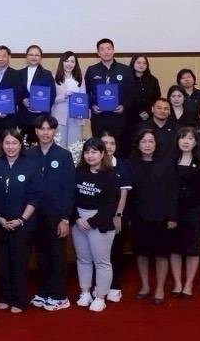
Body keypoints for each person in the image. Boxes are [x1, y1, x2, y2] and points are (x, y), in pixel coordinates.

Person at [26, 115, 75, 311]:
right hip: (35, 215)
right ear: (36, 131)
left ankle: (59, 296)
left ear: (55, 131)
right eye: (42, 129)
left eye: (49, 129)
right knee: (41, 256)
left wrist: (65, 219)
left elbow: (69, 189)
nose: (45, 132)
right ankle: (44, 292)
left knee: (57, 257)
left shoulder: (64, 155)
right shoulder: (28, 155)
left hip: (57, 216)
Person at [0, 128, 40, 314]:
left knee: (19, 264)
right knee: (3, 263)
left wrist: (21, 219)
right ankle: (4, 296)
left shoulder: (30, 165)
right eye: (7, 143)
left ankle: (19, 300)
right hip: (0, 223)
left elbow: (35, 197)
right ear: (2, 145)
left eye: (14, 143)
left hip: (23, 224)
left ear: (20, 145)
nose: (10, 147)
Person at [128, 129, 178, 304]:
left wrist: (173, 217)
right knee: (141, 253)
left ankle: (159, 289)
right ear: (138, 144)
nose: (147, 145)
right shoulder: (131, 164)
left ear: (156, 144)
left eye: (151, 141)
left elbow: (172, 192)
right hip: (139, 216)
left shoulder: (167, 163)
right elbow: (128, 194)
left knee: (161, 254)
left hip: (161, 216)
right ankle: (145, 286)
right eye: (144, 141)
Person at [71, 138, 119, 313]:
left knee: (101, 262)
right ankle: (85, 292)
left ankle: (100, 297)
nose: (90, 155)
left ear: (102, 153)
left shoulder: (110, 176)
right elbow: (70, 197)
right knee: (83, 259)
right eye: (87, 152)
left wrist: (91, 222)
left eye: (94, 152)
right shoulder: (78, 172)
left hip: (99, 223)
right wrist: (76, 218)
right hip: (78, 221)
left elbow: (110, 205)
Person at [169, 128, 200, 298]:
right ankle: (177, 283)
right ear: (177, 140)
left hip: (194, 211)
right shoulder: (170, 161)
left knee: (193, 249)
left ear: (196, 142)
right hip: (174, 211)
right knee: (174, 248)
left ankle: (189, 284)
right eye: (183, 138)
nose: (186, 141)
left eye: (190, 138)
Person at [85, 38, 137, 152]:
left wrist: (124, 106)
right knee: (99, 148)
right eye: (102, 49)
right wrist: (92, 106)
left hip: (119, 118)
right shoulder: (91, 70)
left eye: (109, 48)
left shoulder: (125, 70)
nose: (106, 52)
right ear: (98, 53)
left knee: (119, 148)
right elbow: (87, 92)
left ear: (113, 50)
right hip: (99, 118)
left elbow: (132, 93)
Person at [99, 131, 131, 303]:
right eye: (105, 143)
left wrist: (118, 215)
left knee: (115, 253)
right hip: (98, 217)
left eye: (112, 143)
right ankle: (99, 287)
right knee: (100, 255)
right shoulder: (94, 163)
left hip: (117, 216)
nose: (109, 146)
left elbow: (123, 193)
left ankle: (115, 286)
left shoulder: (123, 166)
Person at [16, 45, 56, 145]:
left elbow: (52, 95)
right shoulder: (19, 73)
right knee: (24, 146)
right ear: (26, 56)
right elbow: (16, 93)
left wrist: (42, 108)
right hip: (24, 117)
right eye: (31, 54)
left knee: (40, 146)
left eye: (37, 55)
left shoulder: (47, 74)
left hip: (41, 118)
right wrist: (22, 100)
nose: (33, 57)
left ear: (41, 57)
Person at [51, 51, 86, 149]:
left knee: (74, 145)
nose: (69, 64)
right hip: (59, 116)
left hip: (76, 116)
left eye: (72, 61)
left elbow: (83, 98)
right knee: (59, 144)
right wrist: (64, 96)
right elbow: (51, 99)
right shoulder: (54, 78)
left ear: (75, 64)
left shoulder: (80, 78)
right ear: (62, 62)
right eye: (66, 61)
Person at [127, 54, 160, 144]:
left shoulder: (153, 80)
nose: (141, 65)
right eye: (138, 62)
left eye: (144, 63)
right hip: (130, 117)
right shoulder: (127, 79)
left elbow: (156, 98)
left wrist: (148, 112)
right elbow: (126, 98)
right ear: (133, 63)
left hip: (149, 117)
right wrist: (139, 112)